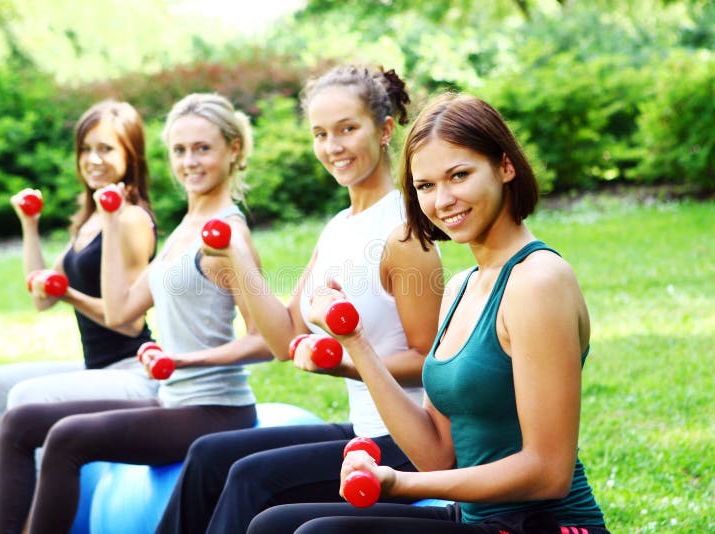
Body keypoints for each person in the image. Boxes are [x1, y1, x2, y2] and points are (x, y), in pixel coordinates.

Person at [248, 92, 610, 533]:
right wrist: (355, 342)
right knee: (273, 524)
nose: (443, 201)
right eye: (425, 186)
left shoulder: (538, 281)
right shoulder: (462, 287)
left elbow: (547, 473)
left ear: (505, 167)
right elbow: (436, 453)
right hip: (480, 520)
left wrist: (400, 485)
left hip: (543, 523)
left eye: (459, 175)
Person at [155, 65, 445, 534]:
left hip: (405, 441)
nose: (333, 147)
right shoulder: (338, 228)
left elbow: (430, 360)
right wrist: (236, 260)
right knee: (210, 455)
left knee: (251, 478)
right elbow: (284, 337)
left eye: (348, 129)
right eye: (320, 134)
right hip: (362, 429)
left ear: (385, 130)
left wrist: (349, 365)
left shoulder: (403, 232)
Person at [0, 93, 272, 534]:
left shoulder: (228, 234)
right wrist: (112, 222)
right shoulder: (183, 231)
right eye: (179, 150)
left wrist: (187, 360)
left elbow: (266, 341)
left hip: (215, 409)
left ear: (233, 150)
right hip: (172, 398)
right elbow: (121, 313)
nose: (189, 162)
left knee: (66, 438)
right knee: (20, 421)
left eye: (202, 148)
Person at [0, 100, 159, 534]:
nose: (93, 160)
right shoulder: (89, 219)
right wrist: (29, 225)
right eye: (85, 149)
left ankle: (24, 525)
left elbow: (129, 322)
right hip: (97, 367)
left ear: (130, 158)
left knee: (26, 397)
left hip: (136, 371)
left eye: (106, 149)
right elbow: (42, 295)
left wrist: (71, 297)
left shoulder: (132, 220)